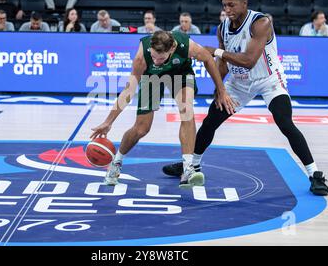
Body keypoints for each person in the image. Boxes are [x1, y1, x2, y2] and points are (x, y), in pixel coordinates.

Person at [162, 0, 328, 196]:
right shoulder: (223, 28)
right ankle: (191, 165)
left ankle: (315, 174)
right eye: (224, 5)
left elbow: (249, 60)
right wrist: (219, 87)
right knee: (211, 120)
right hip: (239, 83)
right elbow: (223, 64)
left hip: (268, 80)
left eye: (231, 5)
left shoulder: (261, 23)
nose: (227, 10)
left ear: (244, 3)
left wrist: (216, 52)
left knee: (284, 122)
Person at [90, 30, 236, 187]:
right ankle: (116, 163)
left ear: (172, 49)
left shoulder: (186, 46)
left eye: (160, 58)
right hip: (151, 77)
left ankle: (188, 168)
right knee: (141, 129)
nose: (156, 61)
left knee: (187, 110)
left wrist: (221, 91)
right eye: (153, 56)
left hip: (180, 73)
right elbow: (128, 91)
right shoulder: (142, 58)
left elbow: (208, 59)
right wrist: (108, 122)